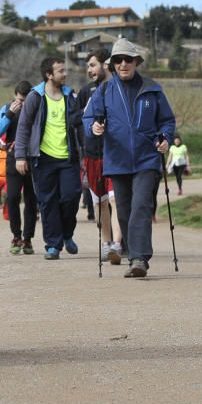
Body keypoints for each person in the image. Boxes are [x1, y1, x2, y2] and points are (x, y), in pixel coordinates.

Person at [84, 38, 175, 279]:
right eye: (117, 60)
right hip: (117, 160)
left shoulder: (152, 89)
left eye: (127, 59)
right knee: (123, 211)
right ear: (111, 65)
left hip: (147, 160)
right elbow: (89, 118)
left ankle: (139, 259)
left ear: (136, 62)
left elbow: (167, 120)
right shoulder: (104, 91)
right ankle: (133, 253)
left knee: (141, 207)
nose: (123, 64)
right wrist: (94, 127)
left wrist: (165, 137)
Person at [14, 57, 83, 261]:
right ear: (49, 75)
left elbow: (79, 124)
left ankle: (67, 234)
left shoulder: (70, 96)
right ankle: (53, 244)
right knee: (47, 202)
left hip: (68, 158)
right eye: (61, 71)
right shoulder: (36, 97)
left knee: (71, 196)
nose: (65, 74)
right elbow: (24, 127)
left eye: (65, 70)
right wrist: (20, 156)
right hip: (42, 159)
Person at [75, 49, 125, 264]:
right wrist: (89, 122)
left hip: (116, 153)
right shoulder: (86, 91)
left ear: (106, 65)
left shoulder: (121, 88)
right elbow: (75, 120)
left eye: (93, 65)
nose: (90, 70)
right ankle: (106, 244)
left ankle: (117, 244)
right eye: (88, 66)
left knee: (116, 199)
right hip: (93, 154)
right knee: (100, 203)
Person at [0, 80, 38, 255]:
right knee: (11, 197)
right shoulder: (7, 108)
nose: (23, 104)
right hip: (13, 157)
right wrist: (10, 113)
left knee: (31, 200)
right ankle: (16, 236)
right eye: (20, 100)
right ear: (14, 97)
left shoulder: (37, 108)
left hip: (33, 157)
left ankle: (27, 239)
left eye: (26, 101)